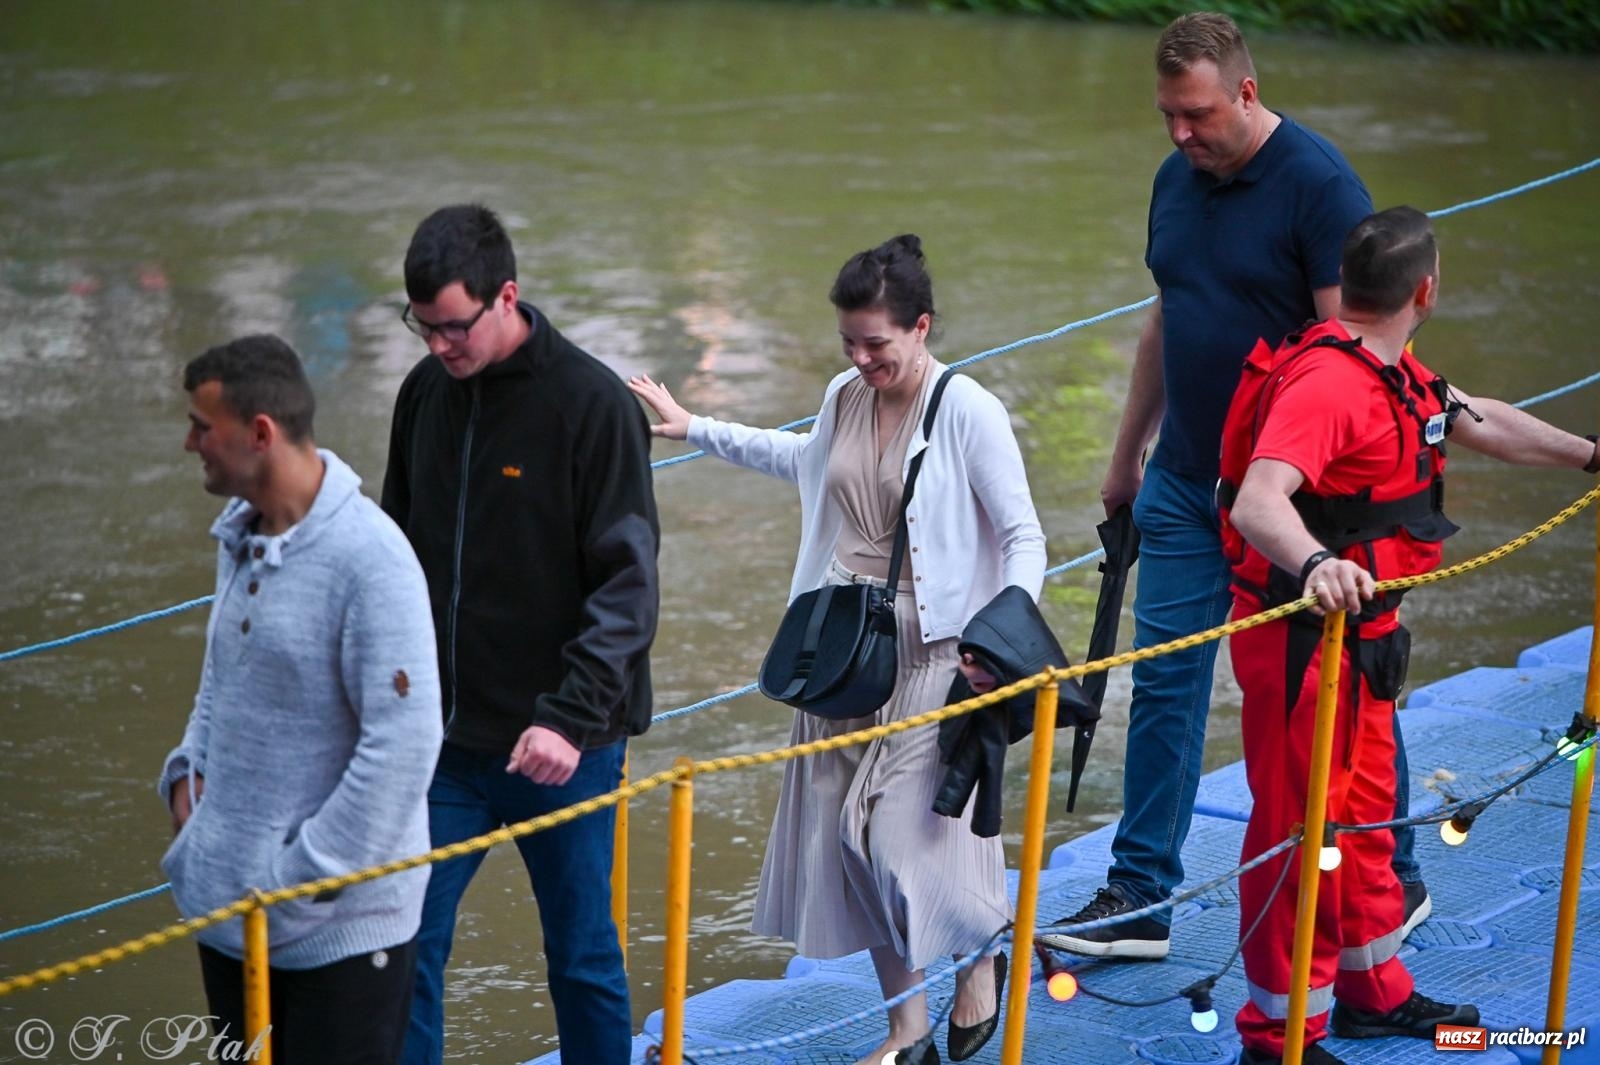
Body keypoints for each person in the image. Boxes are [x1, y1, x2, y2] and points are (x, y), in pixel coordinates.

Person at [1040, 11, 1433, 961]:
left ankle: (1397, 874)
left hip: (1290, 501)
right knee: (1166, 680)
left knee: (1339, 681)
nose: (1180, 134)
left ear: (1247, 94)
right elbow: (1165, 317)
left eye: (1199, 115)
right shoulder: (1175, 180)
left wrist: (1333, 512)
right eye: (1168, 115)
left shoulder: (1321, 190)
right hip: (1182, 479)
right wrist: (1126, 450)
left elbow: (1360, 355)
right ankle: (1140, 900)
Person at [628, 234, 1046, 1065]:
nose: (861, 359)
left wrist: (1000, 638)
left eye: (877, 345)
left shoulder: (967, 410)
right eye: (849, 343)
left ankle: (985, 944)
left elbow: (1024, 534)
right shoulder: (844, 394)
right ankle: (907, 1031)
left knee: (888, 837)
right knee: (839, 848)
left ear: (922, 327)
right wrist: (694, 427)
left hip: (939, 654)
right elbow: (801, 460)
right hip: (845, 652)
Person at [1224, 206, 1598, 1065]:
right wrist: (1319, 561)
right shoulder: (1326, 385)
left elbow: (1478, 419)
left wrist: (1592, 454)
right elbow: (1258, 500)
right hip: (1303, 640)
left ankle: (1369, 992)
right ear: (1426, 288)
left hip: (1366, 637)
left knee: (1360, 820)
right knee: (1302, 828)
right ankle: (1277, 1039)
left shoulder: (1392, 370)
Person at [383, 205, 659, 1065]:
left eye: (453, 327)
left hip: (565, 743)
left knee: (581, 957)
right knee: (400, 947)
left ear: (507, 296)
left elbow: (629, 585)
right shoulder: (425, 393)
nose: (437, 346)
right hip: (444, 742)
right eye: (421, 327)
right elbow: (393, 550)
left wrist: (570, 717)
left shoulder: (592, 404)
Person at [159, 334, 443, 1065]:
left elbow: (403, 747)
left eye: (201, 424)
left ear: (259, 433)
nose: (190, 441)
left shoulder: (372, 560)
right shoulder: (241, 536)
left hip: (335, 940)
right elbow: (220, 681)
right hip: (230, 916)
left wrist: (296, 877)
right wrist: (187, 784)